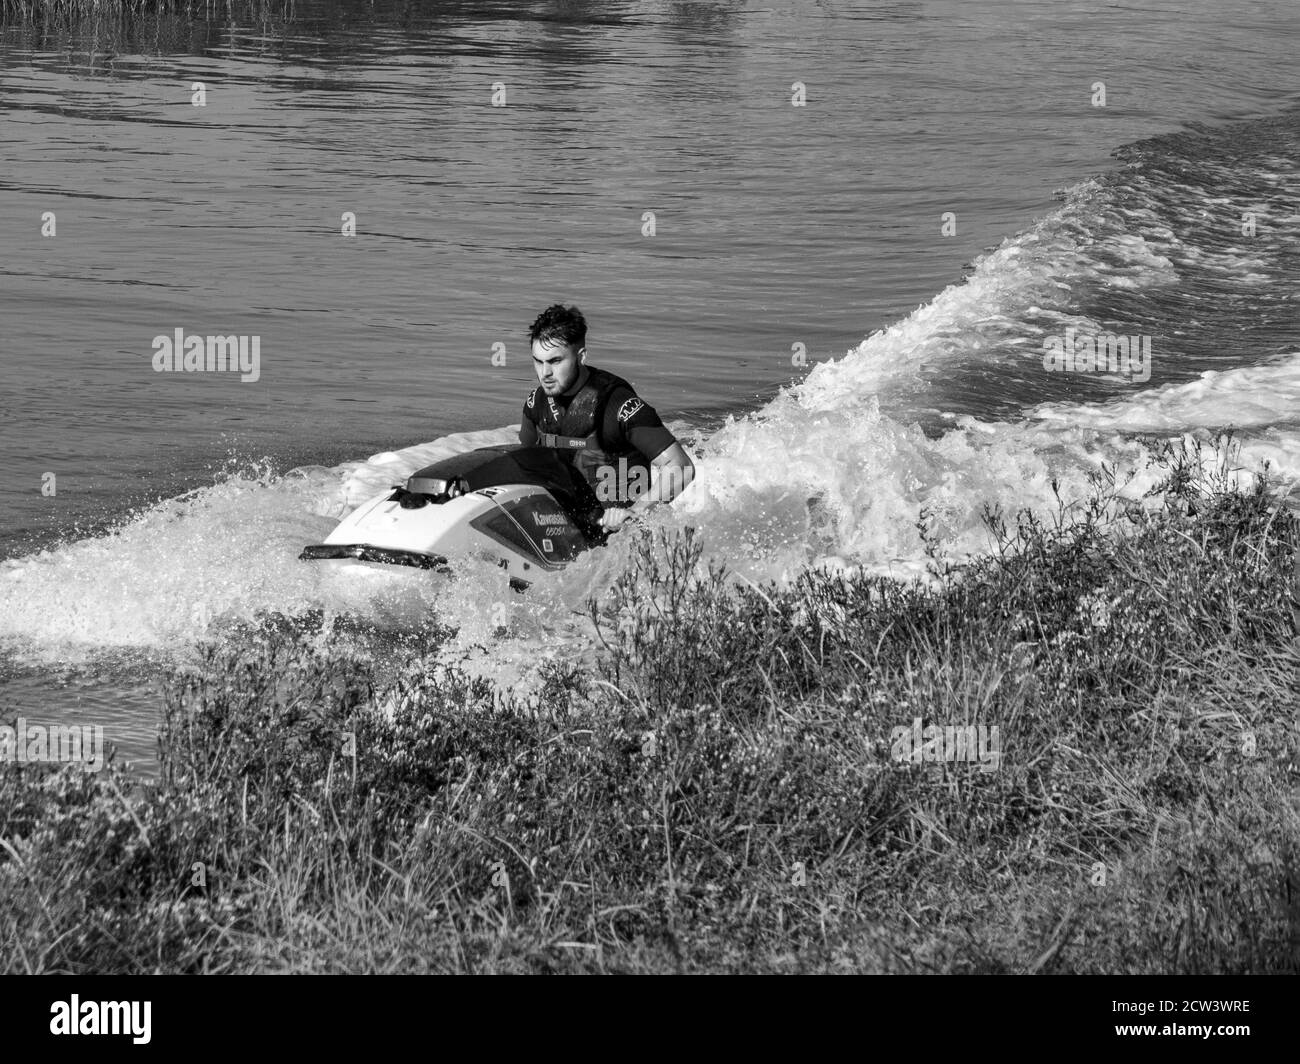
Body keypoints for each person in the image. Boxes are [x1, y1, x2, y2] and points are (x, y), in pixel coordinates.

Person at [519, 304, 694, 535]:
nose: (545, 373)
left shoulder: (619, 406)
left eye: (555, 361)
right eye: (538, 361)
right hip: (567, 527)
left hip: (622, 534)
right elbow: (523, 464)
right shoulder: (536, 404)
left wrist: (635, 511)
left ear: (581, 357)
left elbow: (682, 467)